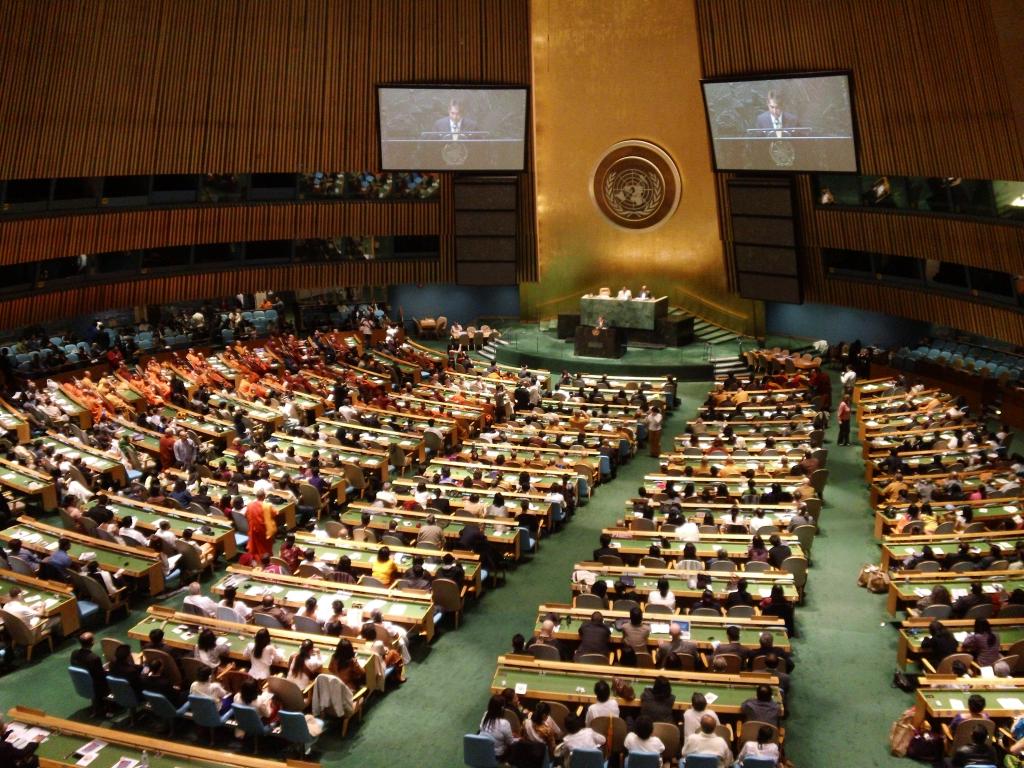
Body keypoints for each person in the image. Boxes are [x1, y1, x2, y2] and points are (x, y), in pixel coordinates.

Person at [70, 632, 108, 715]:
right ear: (92, 643)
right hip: (95, 687)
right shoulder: (94, 658)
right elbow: (100, 677)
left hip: (81, 683)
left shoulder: (74, 653)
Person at [478, 694, 517, 759]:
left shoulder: (485, 715)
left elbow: (481, 728)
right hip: (497, 755)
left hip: (483, 750)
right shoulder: (504, 723)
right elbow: (510, 742)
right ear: (502, 708)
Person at [245, 489, 276, 560]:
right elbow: (275, 513)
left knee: (255, 548)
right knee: (265, 548)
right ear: (264, 496)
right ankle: (266, 561)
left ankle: (255, 561)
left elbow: (246, 515)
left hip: (253, 529)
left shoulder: (249, 505)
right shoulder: (267, 506)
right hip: (264, 531)